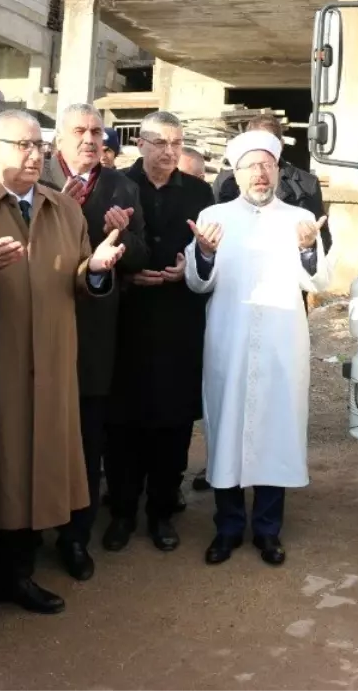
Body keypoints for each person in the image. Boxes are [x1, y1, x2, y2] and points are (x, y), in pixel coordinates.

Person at [0, 109, 125, 638]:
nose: (34, 154)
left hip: (52, 368)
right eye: (22, 145)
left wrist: (98, 271)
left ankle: (18, 576)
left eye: (39, 145)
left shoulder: (63, 208)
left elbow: (80, 280)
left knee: (36, 475)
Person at [186, 130, 331, 567]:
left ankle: (269, 531)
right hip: (228, 341)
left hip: (280, 345)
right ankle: (228, 529)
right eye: (251, 165)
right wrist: (205, 253)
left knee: (275, 432)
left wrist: (308, 251)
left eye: (267, 165)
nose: (260, 173)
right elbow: (197, 281)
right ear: (236, 172)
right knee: (227, 430)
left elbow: (319, 282)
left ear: (278, 170)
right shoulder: (214, 215)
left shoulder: (298, 219)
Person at [45, 103, 148, 581]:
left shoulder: (121, 186)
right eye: (80, 131)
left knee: (87, 439)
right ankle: (26, 532)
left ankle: (75, 538)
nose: (90, 139)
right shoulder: (37, 180)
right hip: (39, 329)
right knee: (38, 433)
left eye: (97, 132)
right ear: (59, 140)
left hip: (94, 335)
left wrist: (121, 233)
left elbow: (141, 255)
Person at [103, 111, 213, 554]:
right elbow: (92, 246)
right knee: (123, 426)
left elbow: (213, 249)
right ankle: (122, 513)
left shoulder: (201, 192)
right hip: (126, 321)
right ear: (141, 144)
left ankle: (162, 513)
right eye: (159, 142)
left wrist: (193, 266)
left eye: (176, 142)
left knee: (172, 426)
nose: (169, 151)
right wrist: (126, 276)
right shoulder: (116, 186)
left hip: (179, 321)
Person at [213, 114, 332, 254]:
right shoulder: (226, 181)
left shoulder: (306, 184)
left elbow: (322, 239)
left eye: (267, 143)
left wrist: (308, 245)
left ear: (280, 144)